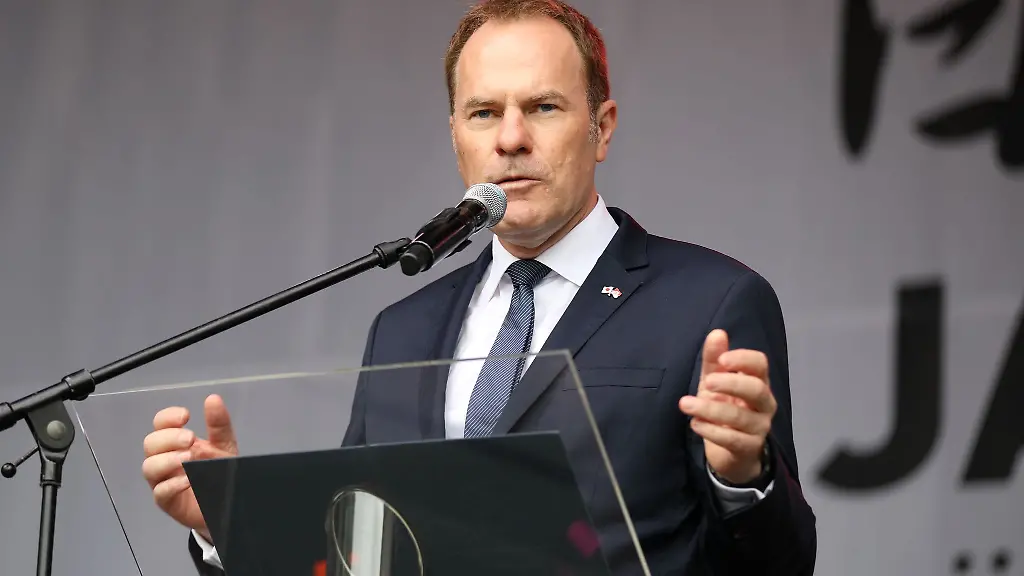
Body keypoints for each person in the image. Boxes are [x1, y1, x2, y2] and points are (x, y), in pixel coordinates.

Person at [142, 0, 817, 573]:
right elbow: (354, 553)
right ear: (455, 136)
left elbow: (784, 562)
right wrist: (233, 523)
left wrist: (743, 479)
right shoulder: (402, 330)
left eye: (543, 107)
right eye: (484, 113)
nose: (511, 139)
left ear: (601, 128)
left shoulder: (710, 303)